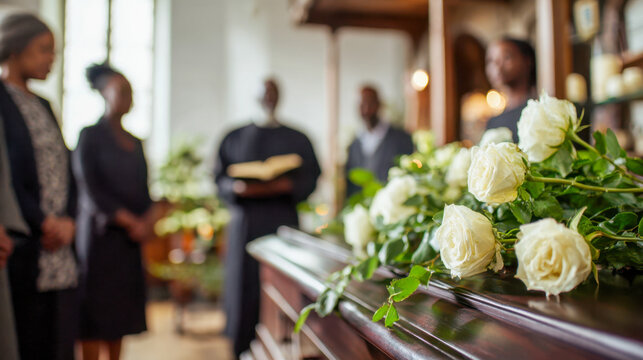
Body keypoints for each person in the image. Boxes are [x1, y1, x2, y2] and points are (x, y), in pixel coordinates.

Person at [214, 78, 321, 357]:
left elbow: (312, 176)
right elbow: (218, 179)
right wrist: (237, 188)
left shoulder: (298, 138)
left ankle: (280, 349)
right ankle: (240, 349)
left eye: (274, 93)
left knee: (281, 290)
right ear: (256, 97)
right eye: (265, 93)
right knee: (244, 289)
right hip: (245, 226)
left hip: (282, 223)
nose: (269, 98)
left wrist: (287, 186)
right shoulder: (233, 137)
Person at [0, 12, 78, 360]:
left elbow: (65, 167)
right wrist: (40, 222)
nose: (51, 59)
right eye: (44, 49)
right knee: (26, 340)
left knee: (58, 341)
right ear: (15, 48)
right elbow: (9, 176)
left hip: (59, 245)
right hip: (25, 242)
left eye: (54, 52)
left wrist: (70, 219)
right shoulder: (2, 100)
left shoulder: (45, 105)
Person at [74, 63, 159, 360]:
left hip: (128, 244)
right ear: (104, 94)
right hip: (99, 240)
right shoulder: (89, 136)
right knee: (95, 314)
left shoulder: (135, 143)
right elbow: (90, 190)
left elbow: (145, 192)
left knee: (120, 316)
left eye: (131, 92)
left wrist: (146, 221)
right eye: (121, 91)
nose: (128, 97)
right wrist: (129, 221)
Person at [345, 85, 414, 198]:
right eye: (362, 105)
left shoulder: (402, 139)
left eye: (370, 104)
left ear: (379, 105)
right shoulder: (354, 145)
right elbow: (351, 187)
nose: (367, 110)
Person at [484, 37, 537, 142]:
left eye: (506, 57)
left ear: (527, 61)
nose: (496, 66)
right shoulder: (493, 123)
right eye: (491, 61)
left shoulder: (538, 111)